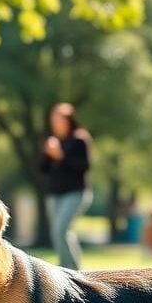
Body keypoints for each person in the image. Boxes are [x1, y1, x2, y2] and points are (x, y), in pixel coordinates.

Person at [38, 102, 92, 270]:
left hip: (75, 193)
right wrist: (48, 153)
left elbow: (83, 166)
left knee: (61, 230)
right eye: (53, 120)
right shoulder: (54, 141)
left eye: (59, 120)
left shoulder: (79, 140)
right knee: (59, 232)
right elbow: (43, 168)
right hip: (55, 193)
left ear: (69, 120)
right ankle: (66, 266)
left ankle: (72, 270)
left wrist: (60, 156)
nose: (55, 124)